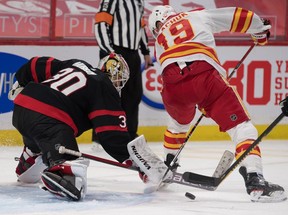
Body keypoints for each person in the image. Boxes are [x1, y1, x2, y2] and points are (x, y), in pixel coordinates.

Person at [148, 5, 286, 202]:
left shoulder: (159, 40)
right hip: (205, 76)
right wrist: (259, 29)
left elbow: (181, 68)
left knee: (177, 125)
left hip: (172, 87)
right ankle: (255, 180)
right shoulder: (194, 15)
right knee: (242, 128)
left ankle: (169, 164)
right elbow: (237, 16)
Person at [10, 54, 169, 201]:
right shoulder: (105, 87)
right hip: (49, 119)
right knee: (75, 167)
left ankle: (31, 156)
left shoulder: (76, 64)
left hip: (22, 108)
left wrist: (20, 82)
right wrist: (141, 162)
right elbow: (112, 136)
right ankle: (62, 170)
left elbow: (36, 64)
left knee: (45, 135)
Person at [93, 0, 153, 149]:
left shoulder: (138, 1)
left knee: (133, 94)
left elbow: (141, 26)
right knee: (108, 95)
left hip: (133, 54)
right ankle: (99, 136)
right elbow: (101, 24)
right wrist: (109, 52)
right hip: (114, 52)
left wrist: (145, 51)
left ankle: (130, 134)